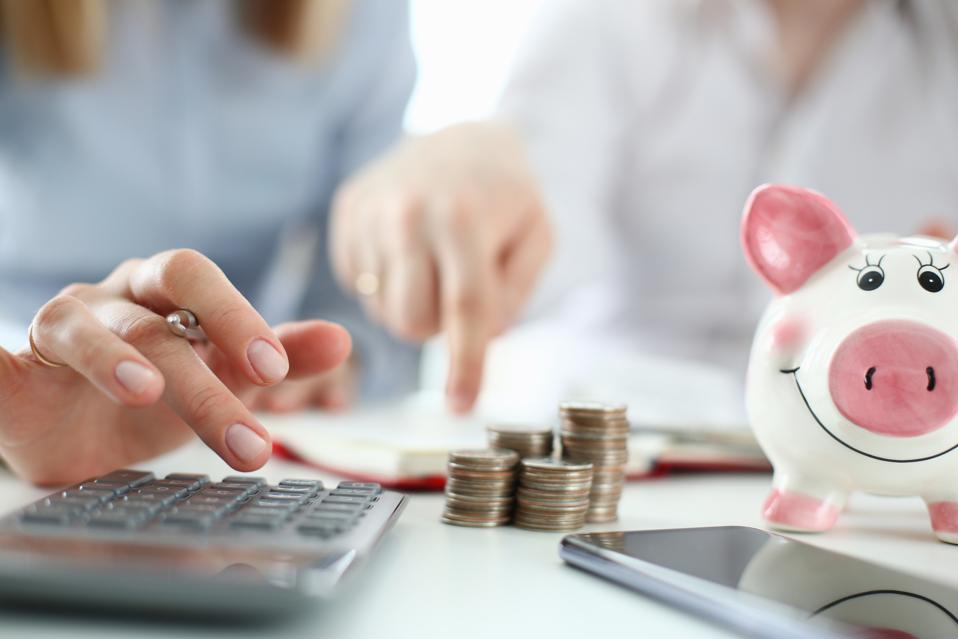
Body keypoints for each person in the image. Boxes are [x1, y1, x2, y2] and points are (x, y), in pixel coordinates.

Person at [331, 0, 958, 412]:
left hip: (876, 469)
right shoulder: (610, 21)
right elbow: (545, 207)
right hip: (616, 452)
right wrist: (477, 215)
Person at [0, 0, 418, 484]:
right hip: (37, 395)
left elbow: (363, 264)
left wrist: (346, 358)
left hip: (248, 402)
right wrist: (23, 380)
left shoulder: (365, 14)